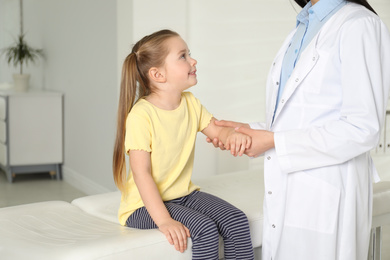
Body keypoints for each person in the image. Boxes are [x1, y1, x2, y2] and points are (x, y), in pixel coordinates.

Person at [207, 0, 390, 259]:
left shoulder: (359, 24)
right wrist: (252, 131)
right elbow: (298, 117)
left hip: (327, 194)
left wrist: (274, 141)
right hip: (290, 189)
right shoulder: (304, 25)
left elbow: (362, 128)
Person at [112, 29, 254, 260]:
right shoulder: (141, 115)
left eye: (190, 54)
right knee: (205, 229)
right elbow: (142, 174)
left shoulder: (191, 104)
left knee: (236, 221)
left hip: (183, 195)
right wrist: (164, 220)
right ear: (158, 74)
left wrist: (233, 135)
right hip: (142, 206)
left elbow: (218, 130)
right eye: (183, 56)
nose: (193, 60)